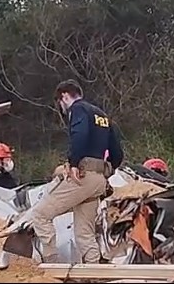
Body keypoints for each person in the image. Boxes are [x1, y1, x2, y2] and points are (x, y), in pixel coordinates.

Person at [32, 79, 123, 264]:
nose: (62, 108)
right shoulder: (102, 115)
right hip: (98, 180)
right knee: (84, 231)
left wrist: (73, 163)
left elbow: (79, 135)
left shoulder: (78, 109)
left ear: (64, 96)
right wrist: (106, 172)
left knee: (40, 215)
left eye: (60, 102)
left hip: (82, 176)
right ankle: (94, 269)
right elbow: (118, 152)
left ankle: (51, 264)